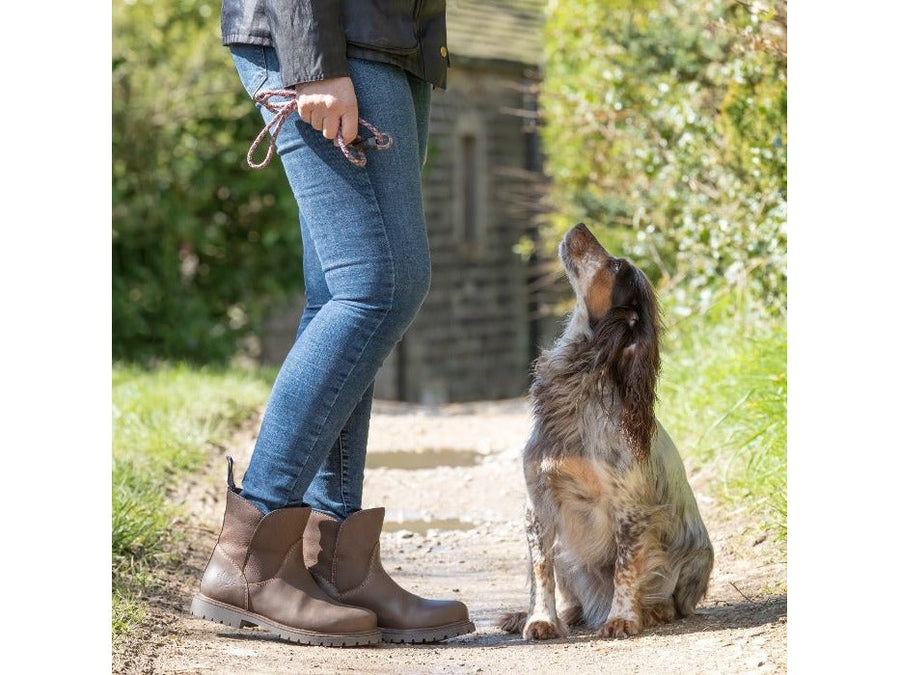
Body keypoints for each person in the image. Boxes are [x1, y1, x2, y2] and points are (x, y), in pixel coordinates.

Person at [190, 0, 475, 647]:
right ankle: (250, 558)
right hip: (333, 38)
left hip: (392, 38)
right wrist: (313, 60)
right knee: (380, 285)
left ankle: (337, 566)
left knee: (341, 295)